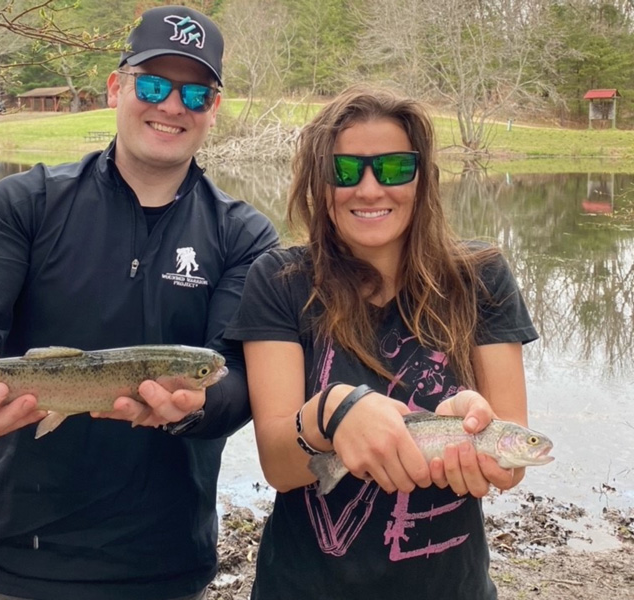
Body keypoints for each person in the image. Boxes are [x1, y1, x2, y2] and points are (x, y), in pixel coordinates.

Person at [0, 6, 279, 600]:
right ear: (117, 87)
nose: (171, 105)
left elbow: (237, 380)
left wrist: (187, 407)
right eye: (153, 84)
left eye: (195, 92)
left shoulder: (245, 235)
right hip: (12, 563)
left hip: (165, 568)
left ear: (214, 108)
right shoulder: (22, 204)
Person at [225, 86, 538, 599]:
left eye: (393, 168)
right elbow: (280, 467)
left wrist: (474, 430)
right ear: (319, 183)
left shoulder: (482, 277)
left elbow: (510, 464)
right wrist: (332, 411)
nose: (369, 189)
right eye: (344, 170)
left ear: (423, 178)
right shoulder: (280, 280)